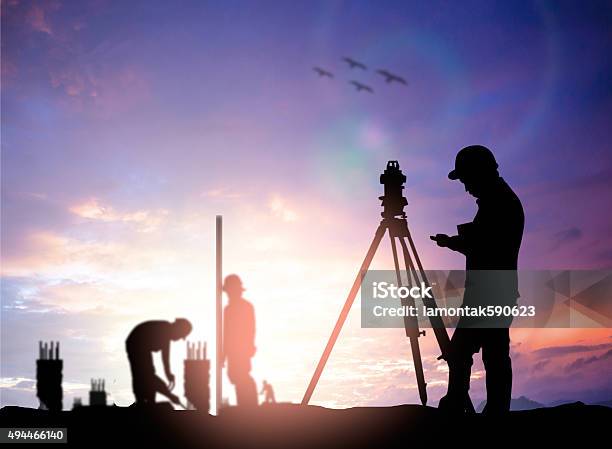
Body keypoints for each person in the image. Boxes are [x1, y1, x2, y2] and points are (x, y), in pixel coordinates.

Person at [431, 145, 524, 415]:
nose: (465, 187)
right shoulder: (498, 200)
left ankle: (461, 404)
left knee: (463, 351)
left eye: (466, 179)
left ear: (479, 172)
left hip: (490, 293)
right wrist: (453, 243)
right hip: (494, 292)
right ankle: (488, 409)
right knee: (491, 353)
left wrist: (458, 242)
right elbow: (484, 242)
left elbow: (487, 245)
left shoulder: (500, 202)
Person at [125, 318, 192, 406]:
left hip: (142, 346)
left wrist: (168, 374)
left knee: (147, 374)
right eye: (181, 335)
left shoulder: (166, 333)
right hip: (136, 343)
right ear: (178, 329)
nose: (179, 338)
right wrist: (170, 395)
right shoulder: (164, 331)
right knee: (143, 374)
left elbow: (165, 359)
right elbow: (151, 376)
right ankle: (142, 402)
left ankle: (149, 401)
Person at [222, 274, 258, 407]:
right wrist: (224, 355)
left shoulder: (245, 307)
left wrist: (248, 347)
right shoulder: (228, 310)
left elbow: (250, 329)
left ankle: (248, 408)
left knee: (241, 376)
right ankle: (246, 407)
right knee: (236, 377)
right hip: (233, 351)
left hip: (241, 350)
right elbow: (226, 334)